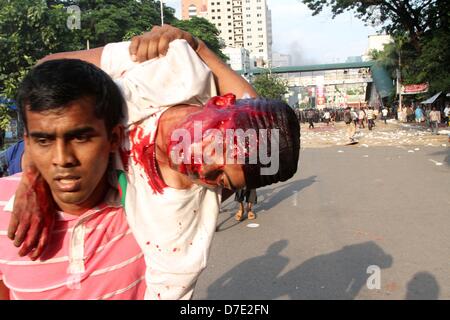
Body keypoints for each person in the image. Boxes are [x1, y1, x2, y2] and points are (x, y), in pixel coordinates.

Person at [7, 25, 301, 300]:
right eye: (219, 150)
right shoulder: (177, 69)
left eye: (223, 181)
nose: (207, 170)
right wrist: (31, 175)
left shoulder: (178, 231)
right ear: (221, 102)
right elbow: (45, 72)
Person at [0, 59, 147, 299]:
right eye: (43, 140)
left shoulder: (146, 200)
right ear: (27, 142)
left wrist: (192, 48)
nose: (62, 159)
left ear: (113, 138)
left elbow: (230, 142)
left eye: (80, 138)